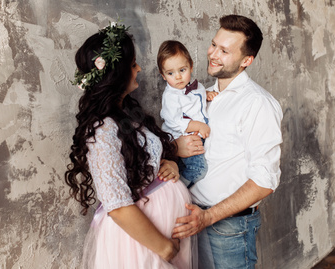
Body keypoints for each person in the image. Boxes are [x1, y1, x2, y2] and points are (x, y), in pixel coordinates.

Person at [65, 23, 197, 269]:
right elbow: (117, 205)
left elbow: (141, 161)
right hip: (141, 244)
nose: (138, 69)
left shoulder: (126, 112)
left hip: (162, 233)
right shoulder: (102, 129)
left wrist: (168, 164)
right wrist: (163, 247)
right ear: (118, 73)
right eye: (133, 64)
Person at [171, 15, 283, 269]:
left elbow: (265, 181)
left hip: (228, 229)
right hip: (192, 217)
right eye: (213, 45)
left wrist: (209, 216)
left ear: (246, 61)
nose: (213, 54)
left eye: (224, 51)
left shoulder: (258, 104)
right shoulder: (200, 96)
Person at [157, 40, 217, 188]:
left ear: (191, 66)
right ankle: (178, 190)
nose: (177, 77)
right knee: (198, 170)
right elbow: (173, 120)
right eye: (170, 73)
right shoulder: (171, 96)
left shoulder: (195, 86)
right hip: (182, 137)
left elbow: (195, 98)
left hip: (195, 135)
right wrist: (197, 125)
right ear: (163, 75)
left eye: (182, 70)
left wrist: (206, 94)